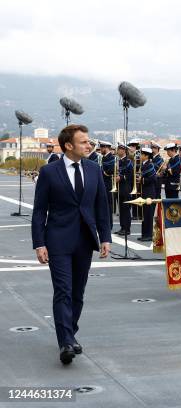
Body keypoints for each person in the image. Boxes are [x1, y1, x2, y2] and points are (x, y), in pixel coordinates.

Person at [31, 124, 111, 365]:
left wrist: (105, 237)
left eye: (89, 141)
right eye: (84, 142)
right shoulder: (49, 172)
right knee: (63, 291)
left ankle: (70, 332)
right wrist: (39, 243)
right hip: (58, 240)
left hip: (85, 240)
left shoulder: (94, 170)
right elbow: (39, 212)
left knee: (78, 292)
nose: (89, 145)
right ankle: (66, 341)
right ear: (69, 146)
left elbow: (101, 207)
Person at [137, 148, 157, 242]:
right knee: (144, 214)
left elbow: (153, 179)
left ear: (146, 156)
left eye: (141, 154)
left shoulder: (150, 165)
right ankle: (144, 234)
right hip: (144, 191)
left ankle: (148, 235)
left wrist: (141, 180)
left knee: (148, 214)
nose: (140, 156)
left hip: (149, 192)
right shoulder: (143, 165)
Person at [114, 143, 133, 236]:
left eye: (120, 149)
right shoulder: (118, 161)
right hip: (119, 188)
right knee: (121, 209)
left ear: (124, 151)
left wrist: (120, 177)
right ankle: (122, 227)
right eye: (118, 149)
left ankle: (127, 228)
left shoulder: (128, 161)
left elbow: (129, 175)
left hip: (126, 188)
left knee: (125, 209)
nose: (118, 150)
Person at [99, 141, 116, 229]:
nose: (101, 149)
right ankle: (105, 223)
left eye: (102, 148)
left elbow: (110, 171)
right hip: (103, 183)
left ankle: (109, 224)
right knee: (103, 204)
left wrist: (100, 171)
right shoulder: (104, 157)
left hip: (108, 183)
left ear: (106, 148)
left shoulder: (111, 157)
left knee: (108, 205)